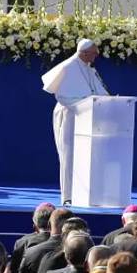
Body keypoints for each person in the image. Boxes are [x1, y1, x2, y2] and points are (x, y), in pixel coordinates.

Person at [41, 39, 110, 205]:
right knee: (69, 155)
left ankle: (86, 193)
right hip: (70, 117)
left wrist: (107, 100)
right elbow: (62, 96)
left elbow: (98, 92)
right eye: (94, 53)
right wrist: (85, 105)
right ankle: (68, 196)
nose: (96, 57)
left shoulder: (88, 69)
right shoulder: (68, 67)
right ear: (84, 52)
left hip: (87, 118)